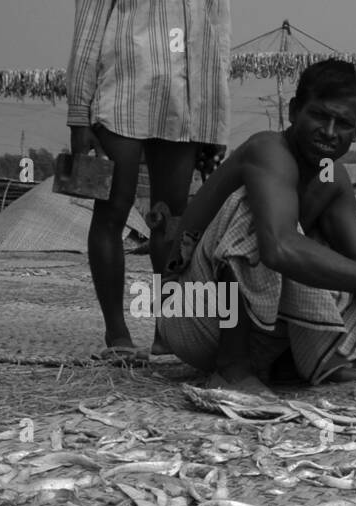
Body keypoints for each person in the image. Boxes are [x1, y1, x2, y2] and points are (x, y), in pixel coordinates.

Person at [150, 59, 356, 396]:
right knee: (254, 210)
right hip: (191, 310)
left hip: (257, 334)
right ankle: (232, 369)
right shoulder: (269, 150)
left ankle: (304, 359)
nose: (328, 131)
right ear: (295, 111)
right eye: (319, 116)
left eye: (342, 123)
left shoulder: (331, 174)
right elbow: (279, 246)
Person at [67, 0, 232, 365]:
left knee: (172, 223)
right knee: (112, 212)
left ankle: (167, 333)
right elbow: (88, 32)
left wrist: (213, 125)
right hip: (122, 98)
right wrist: (79, 116)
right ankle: (117, 333)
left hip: (184, 109)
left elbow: (217, 45)